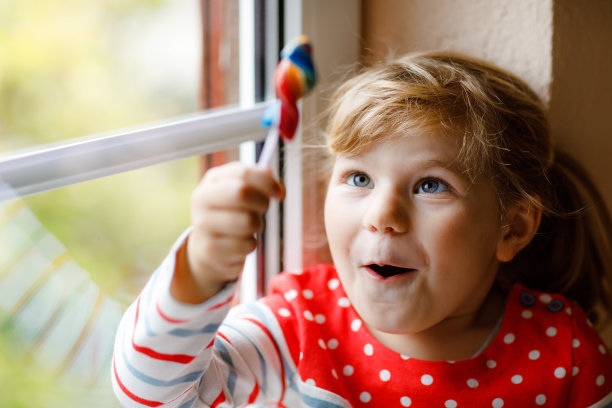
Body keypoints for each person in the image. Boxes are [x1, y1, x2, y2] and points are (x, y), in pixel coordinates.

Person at [111, 52, 612, 407]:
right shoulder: (297, 328)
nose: (382, 214)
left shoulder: (564, 352)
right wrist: (200, 267)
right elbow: (152, 393)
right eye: (358, 178)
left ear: (513, 227)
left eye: (431, 185)